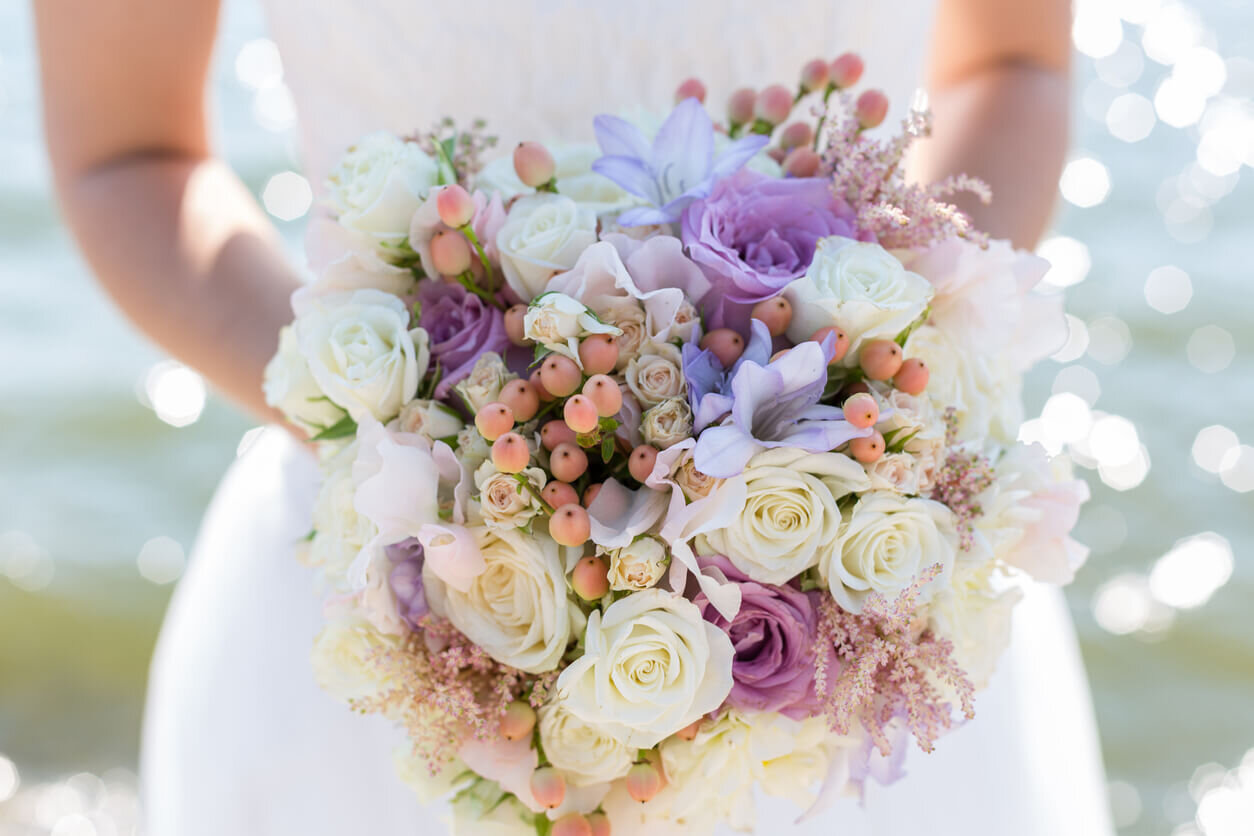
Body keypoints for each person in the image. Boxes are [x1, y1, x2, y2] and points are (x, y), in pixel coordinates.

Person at [34, 1, 1113, 833]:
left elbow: (1013, 65)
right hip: (409, 588)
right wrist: (429, 444)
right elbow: (127, 152)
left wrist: (884, 394)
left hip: (863, 606)